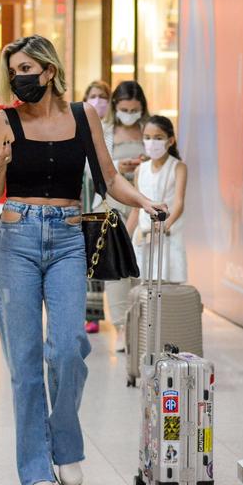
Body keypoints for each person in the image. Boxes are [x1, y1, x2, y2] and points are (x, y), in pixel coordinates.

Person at [0, 35, 167, 485]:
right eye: (14, 71)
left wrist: (143, 200)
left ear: (48, 71)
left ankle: (65, 444)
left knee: (68, 349)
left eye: (27, 69)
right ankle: (35, 465)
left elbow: (107, 179)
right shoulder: (3, 120)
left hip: (66, 237)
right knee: (24, 362)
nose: (19, 79)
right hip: (16, 236)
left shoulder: (82, 115)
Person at [102, 80, 150, 352]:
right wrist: (119, 167)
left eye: (134, 109)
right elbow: (95, 167)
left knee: (143, 269)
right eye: (124, 108)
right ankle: (120, 327)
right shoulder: (107, 132)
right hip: (116, 206)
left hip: (144, 206)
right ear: (115, 107)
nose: (129, 113)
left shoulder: (149, 131)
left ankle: (142, 326)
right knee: (117, 269)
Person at [128, 116, 187, 282]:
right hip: (143, 238)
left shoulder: (178, 167)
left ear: (170, 141)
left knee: (167, 287)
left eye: (158, 138)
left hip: (168, 237)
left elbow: (179, 203)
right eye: (147, 138)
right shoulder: (141, 170)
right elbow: (136, 207)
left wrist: (164, 226)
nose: (152, 142)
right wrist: (125, 237)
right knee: (143, 290)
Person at [80, 80, 111, 334]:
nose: (98, 101)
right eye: (93, 96)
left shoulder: (112, 131)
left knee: (99, 258)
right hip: (83, 200)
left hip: (106, 201)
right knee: (83, 259)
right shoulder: (78, 128)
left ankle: (101, 315)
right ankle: (89, 314)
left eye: (103, 96)